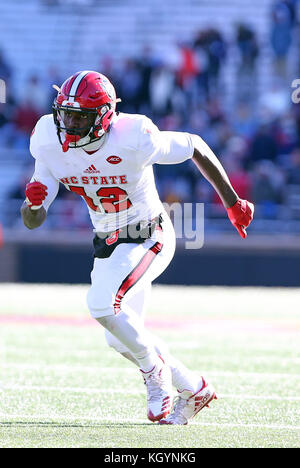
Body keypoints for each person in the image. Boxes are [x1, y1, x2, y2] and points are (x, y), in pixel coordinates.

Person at [21, 70, 254, 425]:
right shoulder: (48, 139)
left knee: (101, 304)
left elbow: (194, 145)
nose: (68, 124)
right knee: (119, 337)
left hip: (148, 234)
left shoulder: (134, 136)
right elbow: (32, 221)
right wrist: (33, 205)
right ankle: (194, 387)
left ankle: (153, 370)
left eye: (79, 117)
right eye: (64, 114)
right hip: (107, 242)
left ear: (102, 117)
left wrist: (232, 201)